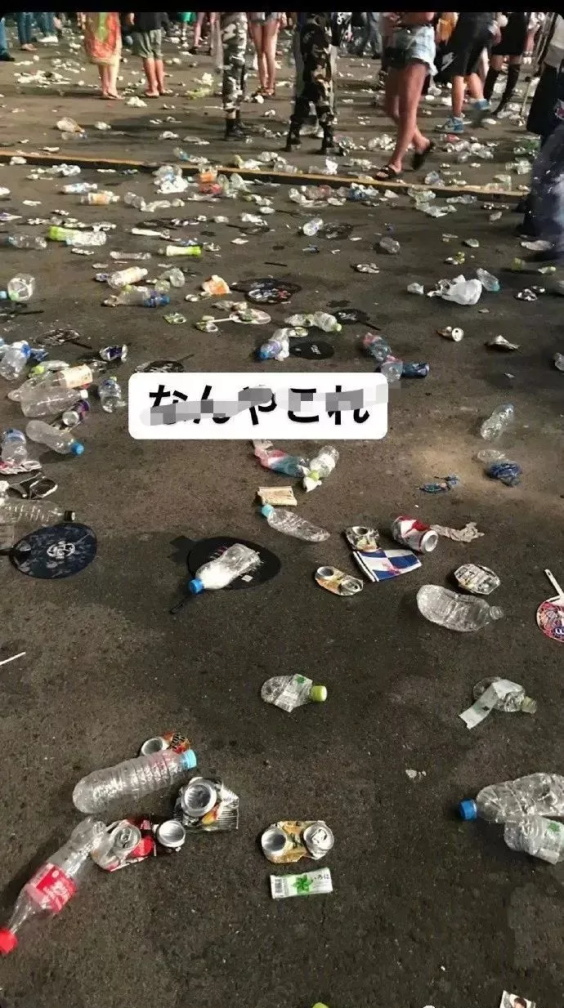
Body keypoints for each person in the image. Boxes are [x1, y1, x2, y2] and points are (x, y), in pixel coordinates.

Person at [375, 11, 436, 181]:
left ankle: (396, 163)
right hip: (399, 41)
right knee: (390, 107)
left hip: (419, 41)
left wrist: (401, 20)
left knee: (407, 108)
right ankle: (421, 143)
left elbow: (427, 15)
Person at [284, 11, 342, 154]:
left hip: (307, 27)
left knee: (307, 83)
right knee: (319, 84)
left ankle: (294, 134)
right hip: (320, 28)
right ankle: (328, 136)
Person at [440, 11, 501, 133]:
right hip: (487, 24)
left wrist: (443, 27)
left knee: (457, 72)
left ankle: (456, 121)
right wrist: (496, 25)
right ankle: (481, 104)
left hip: (468, 23)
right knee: (470, 70)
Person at [483, 12, 529, 116]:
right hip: (504, 22)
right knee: (495, 65)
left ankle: (504, 101)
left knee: (514, 66)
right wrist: (497, 24)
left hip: (519, 23)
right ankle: (486, 98)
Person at [220, 11, 248, 140]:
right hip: (234, 24)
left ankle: (235, 120)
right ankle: (231, 126)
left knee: (237, 74)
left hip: (234, 23)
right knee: (232, 74)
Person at [128, 12, 170, 97]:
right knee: (157, 55)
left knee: (147, 55)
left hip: (143, 23)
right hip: (157, 23)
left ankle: (153, 88)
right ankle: (161, 87)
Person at [83, 12, 122, 99]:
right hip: (109, 17)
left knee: (101, 51)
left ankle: (105, 87)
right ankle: (112, 87)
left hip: (94, 18)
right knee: (113, 52)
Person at [249, 12, 284, 98]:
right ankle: (263, 85)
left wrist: (283, 15)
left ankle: (270, 87)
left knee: (268, 50)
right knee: (259, 51)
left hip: (272, 15)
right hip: (256, 15)